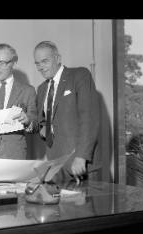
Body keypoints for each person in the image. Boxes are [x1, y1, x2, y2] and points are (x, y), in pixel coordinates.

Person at [33, 41, 101, 183]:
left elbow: (89, 118)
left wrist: (81, 156)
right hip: (56, 168)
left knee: (86, 205)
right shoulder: (41, 89)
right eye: (37, 63)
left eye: (45, 61)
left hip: (80, 165)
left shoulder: (79, 75)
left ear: (58, 58)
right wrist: (39, 127)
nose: (41, 67)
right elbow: (43, 123)